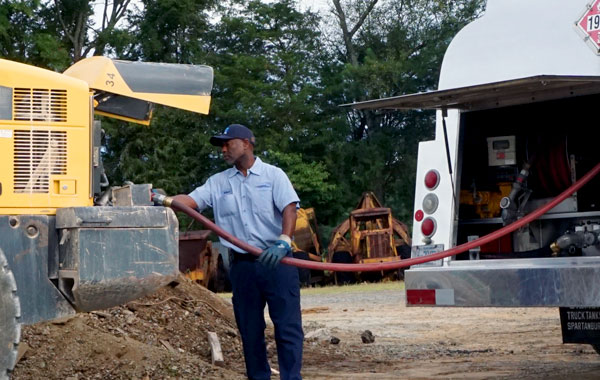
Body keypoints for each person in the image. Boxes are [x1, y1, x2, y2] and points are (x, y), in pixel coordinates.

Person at [173, 124, 303, 380]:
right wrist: (161, 199)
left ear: (246, 143)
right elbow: (190, 201)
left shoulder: (273, 175)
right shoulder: (219, 182)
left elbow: (290, 208)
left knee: (288, 328)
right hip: (243, 268)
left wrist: (284, 241)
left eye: (227, 143)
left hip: (278, 261)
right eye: (221, 145)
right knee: (250, 330)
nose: (223, 150)